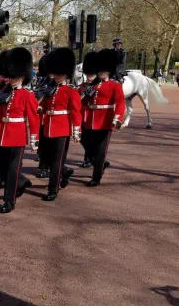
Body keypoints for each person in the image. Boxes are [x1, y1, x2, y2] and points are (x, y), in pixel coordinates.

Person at [0, 48, 39, 213]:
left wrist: (34, 138)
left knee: (13, 171)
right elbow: (0, 112)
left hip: (18, 136)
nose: (11, 79)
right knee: (4, 169)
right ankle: (19, 186)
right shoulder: (5, 93)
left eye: (14, 76)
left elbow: (34, 118)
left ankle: (9, 201)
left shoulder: (27, 95)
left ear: (22, 76)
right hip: (4, 134)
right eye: (10, 75)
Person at [38, 48, 82, 201]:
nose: (56, 76)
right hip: (47, 127)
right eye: (55, 73)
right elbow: (43, 106)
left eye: (59, 74)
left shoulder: (71, 91)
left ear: (65, 74)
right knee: (47, 159)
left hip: (62, 129)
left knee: (56, 161)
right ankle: (65, 172)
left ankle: (52, 189)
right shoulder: (49, 89)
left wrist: (76, 130)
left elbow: (76, 112)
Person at [82, 49, 126, 187]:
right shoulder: (92, 85)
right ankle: (101, 165)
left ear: (109, 71)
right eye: (100, 71)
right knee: (88, 146)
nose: (101, 73)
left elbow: (120, 103)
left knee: (101, 151)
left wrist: (117, 118)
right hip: (90, 120)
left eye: (104, 71)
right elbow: (82, 102)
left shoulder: (115, 85)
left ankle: (96, 178)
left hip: (105, 120)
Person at [79, 51, 99, 169]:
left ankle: (89, 159)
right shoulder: (83, 85)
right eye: (88, 75)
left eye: (91, 75)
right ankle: (94, 159)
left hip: (96, 117)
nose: (89, 77)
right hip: (84, 117)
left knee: (93, 140)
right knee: (84, 138)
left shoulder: (99, 85)